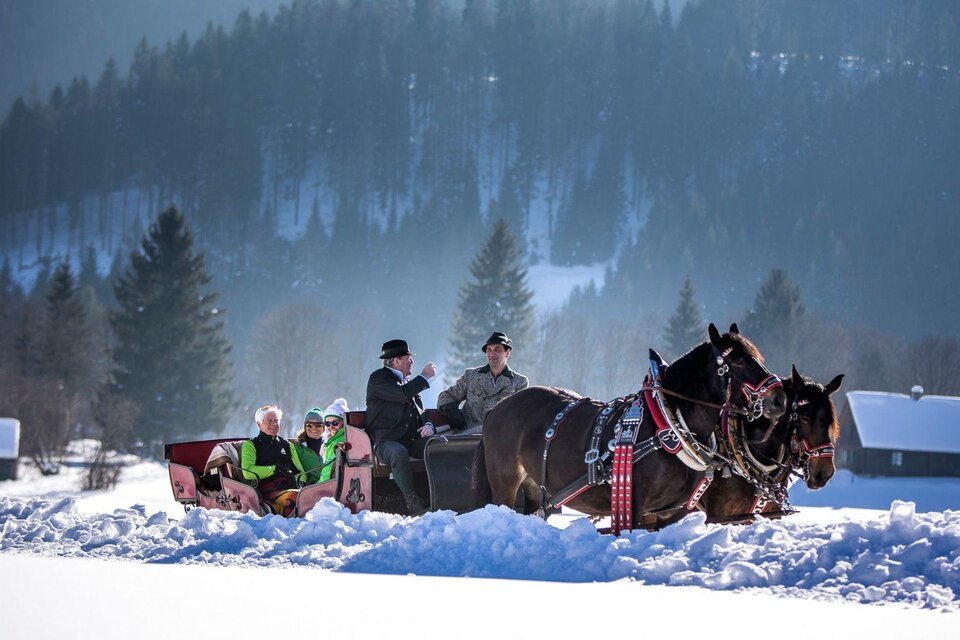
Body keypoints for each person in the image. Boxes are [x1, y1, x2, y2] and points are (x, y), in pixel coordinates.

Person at [365, 339, 437, 516]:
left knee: (439, 445)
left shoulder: (407, 382)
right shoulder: (378, 379)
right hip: (386, 442)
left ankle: (442, 494)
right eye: (408, 358)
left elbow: (422, 411)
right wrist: (424, 376)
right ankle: (412, 500)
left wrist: (429, 425)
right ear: (396, 361)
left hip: (410, 439)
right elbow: (401, 395)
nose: (412, 361)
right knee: (398, 452)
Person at [437, 331, 529, 434]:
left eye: (497, 350)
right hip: (466, 436)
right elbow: (445, 396)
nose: (492, 354)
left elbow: (519, 415)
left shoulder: (519, 382)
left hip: (499, 437)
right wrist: (451, 410)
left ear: (507, 353)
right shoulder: (471, 375)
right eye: (489, 350)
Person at [240, 404, 311, 515]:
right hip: (267, 490)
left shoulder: (287, 445)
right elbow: (248, 472)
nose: (274, 424)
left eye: (276, 421)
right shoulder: (250, 445)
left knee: (311, 495)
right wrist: (275, 469)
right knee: (297, 497)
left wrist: (301, 481)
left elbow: (300, 471)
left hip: (290, 487)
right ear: (259, 424)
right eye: (269, 421)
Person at [318, 398, 350, 483]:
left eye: (335, 423)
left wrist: (318, 486)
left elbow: (328, 475)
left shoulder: (340, 441)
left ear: (344, 422)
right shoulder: (330, 442)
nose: (331, 427)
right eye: (327, 424)